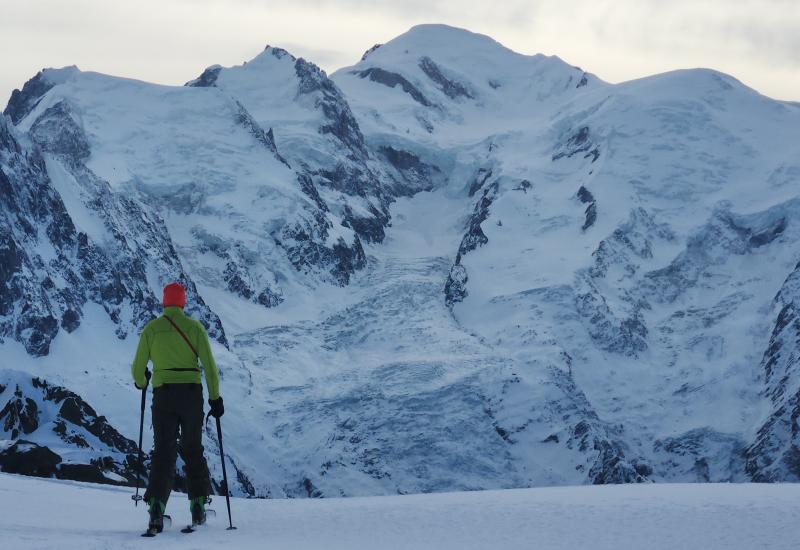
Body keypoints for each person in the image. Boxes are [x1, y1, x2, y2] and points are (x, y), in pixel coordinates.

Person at [131, 282, 224, 534]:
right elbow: (211, 369)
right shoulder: (195, 328)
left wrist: (143, 381)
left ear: (164, 302)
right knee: (192, 448)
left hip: (164, 396)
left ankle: (156, 511)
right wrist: (215, 399)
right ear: (183, 303)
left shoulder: (152, 329)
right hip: (192, 396)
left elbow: (137, 370)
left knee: (163, 452)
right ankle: (197, 506)